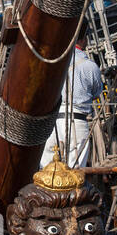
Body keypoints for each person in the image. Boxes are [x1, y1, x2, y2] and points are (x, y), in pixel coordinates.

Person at [39, 26, 103, 169]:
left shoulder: (51, 62)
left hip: (52, 124)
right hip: (77, 121)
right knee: (75, 174)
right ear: (83, 38)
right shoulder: (90, 66)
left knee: (47, 173)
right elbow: (96, 93)